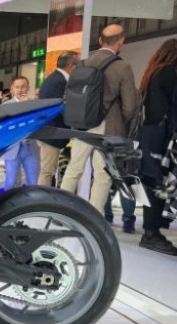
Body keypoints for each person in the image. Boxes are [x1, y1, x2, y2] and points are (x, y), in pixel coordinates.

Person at [60, 24, 138, 213]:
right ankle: (93, 215)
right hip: (108, 125)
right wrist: (121, 122)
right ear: (121, 41)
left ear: (100, 40)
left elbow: (68, 95)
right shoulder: (122, 67)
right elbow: (130, 106)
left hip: (82, 123)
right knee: (102, 173)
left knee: (74, 168)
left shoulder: (82, 64)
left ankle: (60, 210)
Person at [137, 38, 177, 255]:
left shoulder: (153, 72)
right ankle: (151, 233)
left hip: (148, 133)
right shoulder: (168, 73)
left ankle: (152, 231)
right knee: (157, 184)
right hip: (161, 136)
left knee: (151, 182)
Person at [37, 51, 79, 186]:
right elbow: (62, 108)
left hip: (49, 132)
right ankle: (42, 197)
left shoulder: (54, 78)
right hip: (52, 135)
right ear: (71, 65)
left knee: (48, 170)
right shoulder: (59, 81)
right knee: (47, 171)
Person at [3, 76, 40, 189]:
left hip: (31, 148)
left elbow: (37, 122)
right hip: (13, 148)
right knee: (11, 182)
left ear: (28, 88)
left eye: (23, 87)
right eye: (17, 87)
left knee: (33, 182)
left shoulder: (34, 104)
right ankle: (8, 201)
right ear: (12, 89)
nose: (20, 90)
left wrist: (27, 106)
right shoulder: (5, 106)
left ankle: (30, 201)